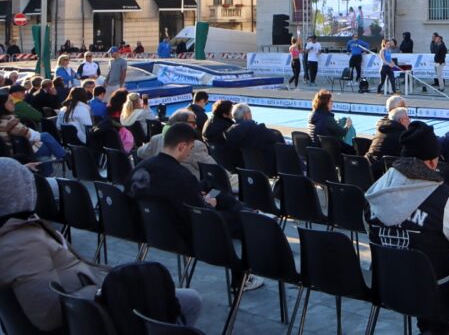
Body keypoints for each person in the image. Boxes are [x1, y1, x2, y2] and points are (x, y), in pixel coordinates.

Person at [0, 159, 204, 332]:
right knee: (189, 301)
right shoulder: (21, 242)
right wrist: (104, 291)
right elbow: (47, 314)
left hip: (90, 304)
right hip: (91, 317)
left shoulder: (18, 229)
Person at [366, 120, 449, 335]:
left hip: (388, 283)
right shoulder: (445, 198)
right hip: (435, 291)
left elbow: (372, 235)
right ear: (433, 163)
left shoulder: (374, 191)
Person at [129, 123, 259, 292]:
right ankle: (241, 277)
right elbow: (204, 216)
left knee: (212, 189)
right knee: (245, 221)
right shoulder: (181, 176)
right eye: (190, 148)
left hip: (153, 228)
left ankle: (244, 209)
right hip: (185, 234)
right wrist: (207, 204)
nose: (190, 152)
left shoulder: (141, 168)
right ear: (182, 146)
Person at [138, 108, 220, 179]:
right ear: (181, 123)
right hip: (188, 189)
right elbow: (215, 169)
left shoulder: (156, 139)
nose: (195, 126)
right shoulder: (194, 145)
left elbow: (139, 152)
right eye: (193, 123)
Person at [1, 91, 66, 175]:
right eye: (10, 101)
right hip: (13, 154)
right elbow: (31, 132)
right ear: (2, 105)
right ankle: (62, 158)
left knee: (43, 143)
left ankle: (50, 170)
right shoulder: (9, 121)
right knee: (44, 139)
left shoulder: (6, 119)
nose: (13, 103)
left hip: (9, 152)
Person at [366, 97, 409, 175]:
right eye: (403, 107)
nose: (406, 109)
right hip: (381, 175)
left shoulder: (381, 127)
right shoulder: (400, 134)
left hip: (367, 169)